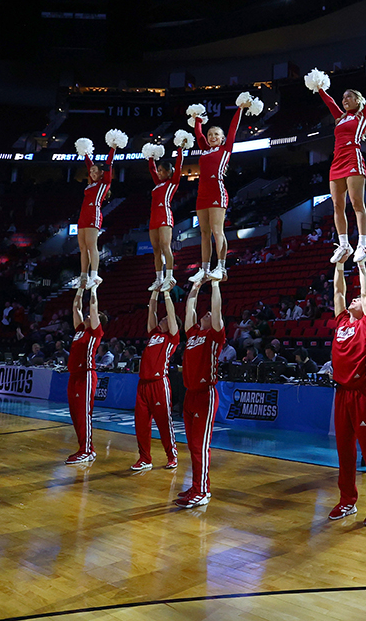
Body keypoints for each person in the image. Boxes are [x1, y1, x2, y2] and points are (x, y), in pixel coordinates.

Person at [311, 50, 366, 265]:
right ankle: (344, 244)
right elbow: (329, 102)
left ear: (358, 100)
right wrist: (319, 88)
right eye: (343, 97)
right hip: (336, 162)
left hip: (353, 158)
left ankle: (362, 244)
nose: (345, 99)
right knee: (337, 205)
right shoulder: (339, 119)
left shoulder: (363, 116)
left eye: (349, 97)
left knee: (357, 203)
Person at [327, 257, 366, 526]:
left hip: (362, 393)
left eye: (358, 300)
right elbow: (338, 291)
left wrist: (361, 264)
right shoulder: (342, 322)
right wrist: (338, 265)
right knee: (344, 452)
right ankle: (347, 500)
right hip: (341, 394)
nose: (354, 299)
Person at [188, 95, 252, 283]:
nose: (212, 137)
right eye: (210, 134)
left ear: (223, 138)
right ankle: (205, 268)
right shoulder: (204, 149)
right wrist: (197, 118)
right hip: (202, 194)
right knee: (204, 234)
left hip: (217, 191)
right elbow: (198, 133)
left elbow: (233, 127)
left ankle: (221, 267)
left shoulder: (226, 149)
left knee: (217, 231)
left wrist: (239, 108)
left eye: (216, 134)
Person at [177, 278, 225, 508]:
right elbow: (189, 310)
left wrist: (215, 284)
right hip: (190, 395)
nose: (205, 314)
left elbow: (216, 308)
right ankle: (196, 486)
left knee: (200, 446)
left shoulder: (215, 335)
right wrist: (195, 288)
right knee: (192, 446)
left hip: (206, 394)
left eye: (208, 314)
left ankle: (203, 491)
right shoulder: (194, 333)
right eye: (203, 314)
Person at [132, 288, 179, 472]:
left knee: (163, 423)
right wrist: (154, 292)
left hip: (159, 384)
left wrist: (166, 293)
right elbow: (151, 311)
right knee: (141, 424)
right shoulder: (154, 335)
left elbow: (171, 313)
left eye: (166, 319)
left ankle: (172, 456)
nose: (163, 319)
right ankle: (144, 458)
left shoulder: (172, 338)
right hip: (142, 384)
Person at [65, 286, 106, 464]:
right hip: (74, 375)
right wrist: (80, 289)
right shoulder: (80, 330)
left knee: (83, 413)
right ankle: (85, 447)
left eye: (91, 316)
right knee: (75, 414)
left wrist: (93, 288)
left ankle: (87, 450)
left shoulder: (95, 332)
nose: (88, 316)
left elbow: (93, 308)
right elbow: (76, 308)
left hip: (86, 375)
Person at [74, 136, 117, 288]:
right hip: (83, 217)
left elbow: (108, 164)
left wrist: (113, 148)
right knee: (82, 247)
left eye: (94, 171)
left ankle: (95, 275)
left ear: (101, 173)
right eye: (90, 171)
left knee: (92, 245)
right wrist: (85, 152)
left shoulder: (104, 183)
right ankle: (83, 276)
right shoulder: (91, 184)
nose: (91, 173)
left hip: (94, 215)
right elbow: (88, 164)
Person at [146, 137, 186, 291]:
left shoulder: (173, 182)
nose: (160, 173)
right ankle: (158, 278)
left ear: (169, 172)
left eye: (163, 171)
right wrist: (150, 156)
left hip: (164, 215)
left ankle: (170, 276)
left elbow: (179, 164)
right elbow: (151, 169)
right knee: (156, 250)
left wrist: (181, 149)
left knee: (165, 246)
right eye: (160, 170)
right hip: (153, 218)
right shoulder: (158, 184)